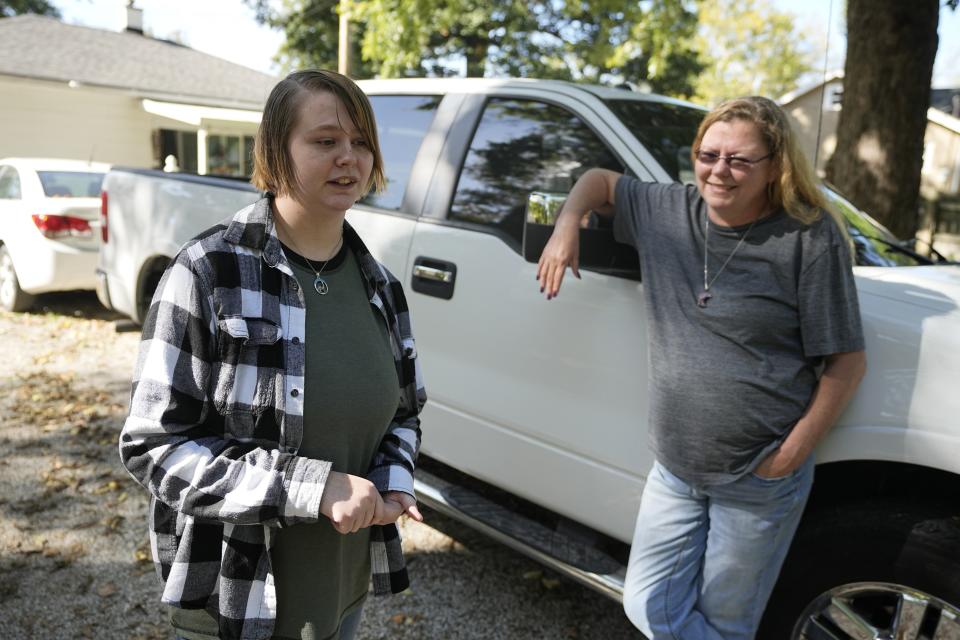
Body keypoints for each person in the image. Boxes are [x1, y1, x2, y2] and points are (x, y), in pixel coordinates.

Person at [536, 96, 866, 639]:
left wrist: (789, 455)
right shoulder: (667, 211)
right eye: (707, 154)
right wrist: (567, 222)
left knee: (726, 621)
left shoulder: (808, 237)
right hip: (675, 466)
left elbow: (847, 361)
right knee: (646, 604)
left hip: (757, 476)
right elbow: (599, 179)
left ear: (775, 166)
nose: (720, 170)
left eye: (740, 160)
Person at [119, 69, 426, 640]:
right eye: (326, 141)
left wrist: (393, 480)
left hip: (341, 590)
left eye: (362, 143)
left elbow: (405, 413)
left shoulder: (383, 289)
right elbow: (152, 445)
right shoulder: (208, 271)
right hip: (234, 601)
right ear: (275, 150)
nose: (349, 159)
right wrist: (313, 487)